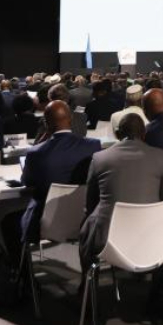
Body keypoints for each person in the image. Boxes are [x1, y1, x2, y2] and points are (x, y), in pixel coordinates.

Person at [78, 113, 163, 268]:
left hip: (108, 239)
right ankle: (161, 284)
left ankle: (87, 284)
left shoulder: (99, 158)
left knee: (88, 222)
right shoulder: (162, 156)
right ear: (144, 134)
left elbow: (90, 203)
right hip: (151, 236)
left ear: (118, 133)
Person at [14, 101, 101, 250]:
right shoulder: (93, 145)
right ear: (71, 119)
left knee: (9, 222)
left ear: (46, 124)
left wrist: (40, 143)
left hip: (47, 221)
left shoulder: (36, 153)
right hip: (85, 217)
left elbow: (26, 182)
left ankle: (21, 272)